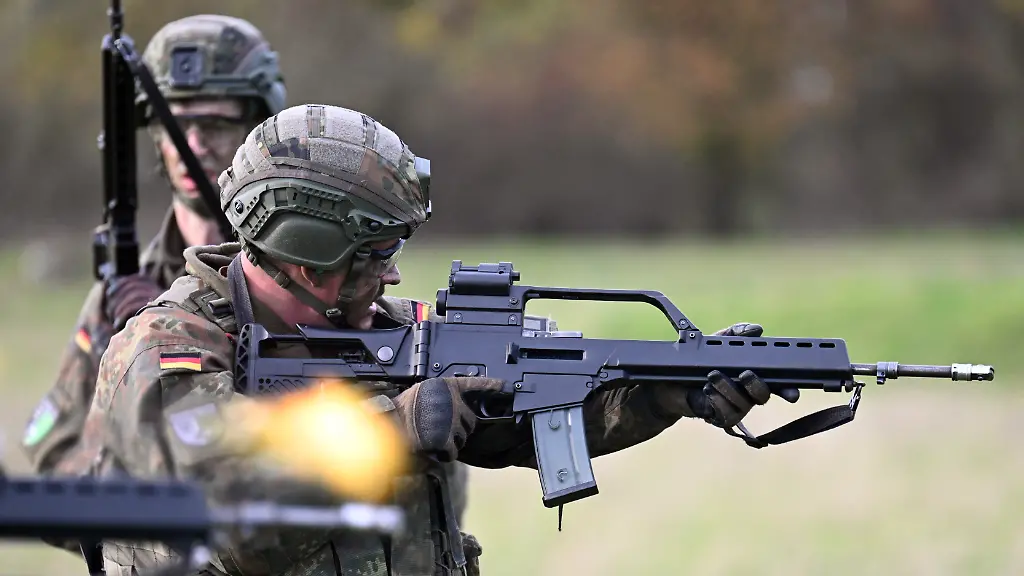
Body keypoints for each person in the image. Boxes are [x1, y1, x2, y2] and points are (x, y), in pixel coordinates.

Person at [83, 104, 787, 576]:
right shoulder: (170, 351)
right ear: (311, 253)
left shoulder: (382, 329)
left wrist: (662, 394)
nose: (392, 271)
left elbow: (517, 423)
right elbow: (225, 519)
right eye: (378, 249)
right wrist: (394, 428)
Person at [20, 14, 286, 477]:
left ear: (255, 128)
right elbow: (53, 458)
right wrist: (134, 359)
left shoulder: (305, 275)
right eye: (176, 125)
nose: (195, 143)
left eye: (216, 124)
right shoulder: (125, 292)